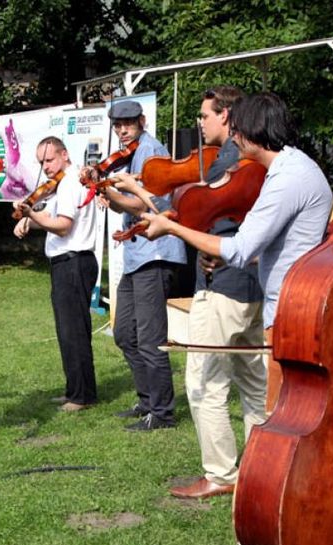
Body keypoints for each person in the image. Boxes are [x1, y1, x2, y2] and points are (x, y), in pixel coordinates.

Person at [136, 91, 331, 409]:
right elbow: (281, 246)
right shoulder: (287, 169)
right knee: (267, 401)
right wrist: (237, 254)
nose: (234, 138)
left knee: (277, 406)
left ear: (255, 130)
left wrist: (171, 227)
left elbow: (240, 248)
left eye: (238, 130)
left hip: (291, 309)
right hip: (283, 303)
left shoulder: (288, 176)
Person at [122, 86, 267, 499]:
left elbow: (198, 214)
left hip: (224, 286)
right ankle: (261, 468)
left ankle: (221, 474)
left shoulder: (230, 160)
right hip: (255, 283)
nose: (199, 123)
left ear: (227, 116)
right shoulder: (258, 160)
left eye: (205, 116)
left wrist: (141, 194)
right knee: (253, 382)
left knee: (204, 383)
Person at [88, 100, 185, 431]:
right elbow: (125, 209)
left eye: (127, 123)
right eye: (117, 125)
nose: (122, 129)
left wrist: (110, 192)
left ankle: (162, 413)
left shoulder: (152, 152)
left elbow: (154, 205)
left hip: (155, 252)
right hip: (136, 254)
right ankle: (147, 401)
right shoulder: (131, 154)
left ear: (141, 121)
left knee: (149, 337)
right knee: (124, 331)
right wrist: (108, 194)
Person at [12, 137, 99, 412]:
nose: (46, 167)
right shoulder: (64, 184)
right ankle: (75, 389)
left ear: (64, 155)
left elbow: (62, 226)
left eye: (49, 160)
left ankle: (82, 396)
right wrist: (29, 218)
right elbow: (50, 216)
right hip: (69, 263)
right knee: (68, 331)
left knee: (74, 331)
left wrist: (31, 215)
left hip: (73, 262)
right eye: (41, 162)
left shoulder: (72, 181)